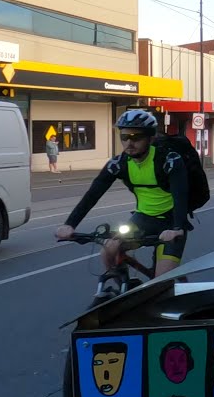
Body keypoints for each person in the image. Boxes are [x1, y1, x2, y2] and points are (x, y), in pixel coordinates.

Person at [55, 109, 189, 278]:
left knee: (162, 281)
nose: (129, 143)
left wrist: (177, 229)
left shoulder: (168, 161)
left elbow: (180, 196)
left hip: (171, 222)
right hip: (142, 219)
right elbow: (92, 195)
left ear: (150, 138)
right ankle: (120, 282)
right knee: (109, 249)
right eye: (124, 137)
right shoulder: (119, 164)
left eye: (136, 137)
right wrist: (70, 224)